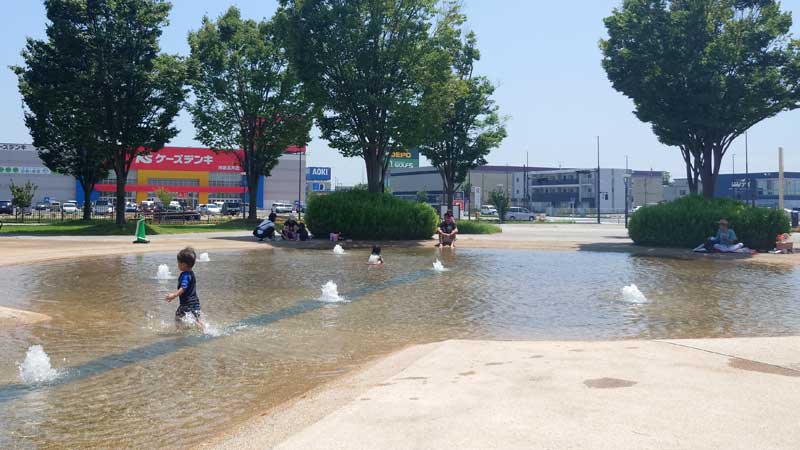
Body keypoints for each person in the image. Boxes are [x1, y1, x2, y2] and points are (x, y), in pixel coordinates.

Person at [165, 247, 204, 329]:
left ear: (184, 264)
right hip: (195, 302)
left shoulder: (185, 275)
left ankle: (179, 331)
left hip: (186, 303)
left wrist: (174, 295)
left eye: (178, 262)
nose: (177, 264)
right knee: (197, 319)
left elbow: (183, 287)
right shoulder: (191, 273)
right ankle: (205, 330)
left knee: (177, 316)